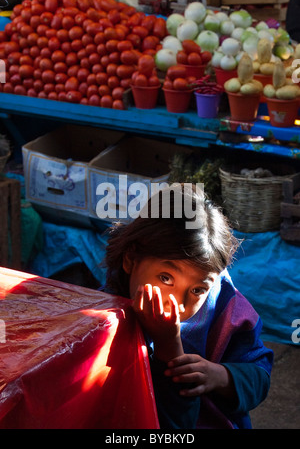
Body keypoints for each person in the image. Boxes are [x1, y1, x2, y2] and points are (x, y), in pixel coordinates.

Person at [104, 183, 273, 429]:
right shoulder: (107, 310)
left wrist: (222, 376)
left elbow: (259, 378)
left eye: (197, 290)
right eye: (165, 278)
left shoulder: (228, 313)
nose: (177, 303)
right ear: (131, 259)